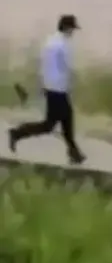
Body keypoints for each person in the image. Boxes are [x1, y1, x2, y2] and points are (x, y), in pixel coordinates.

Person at [8, 14, 85, 165]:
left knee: (67, 119)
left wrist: (44, 85)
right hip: (58, 89)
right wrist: (73, 83)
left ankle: (74, 153)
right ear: (66, 28)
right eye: (72, 29)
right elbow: (67, 67)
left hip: (51, 87)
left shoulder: (50, 41)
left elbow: (45, 65)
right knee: (49, 125)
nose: (73, 32)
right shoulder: (63, 44)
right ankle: (17, 133)